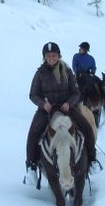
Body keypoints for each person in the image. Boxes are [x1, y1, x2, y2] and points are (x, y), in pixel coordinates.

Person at [25, 41, 97, 171]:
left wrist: (69, 103)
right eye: (48, 56)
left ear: (59, 56)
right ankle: (31, 166)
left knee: (86, 127)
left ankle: (92, 161)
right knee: (33, 133)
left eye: (54, 55)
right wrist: (43, 104)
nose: (51, 58)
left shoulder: (67, 71)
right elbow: (33, 94)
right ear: (44, 57)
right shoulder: (40, 73)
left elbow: (76, 93)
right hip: (47, 110)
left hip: (66, 109)